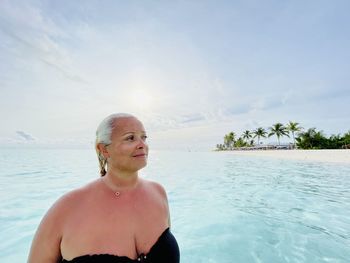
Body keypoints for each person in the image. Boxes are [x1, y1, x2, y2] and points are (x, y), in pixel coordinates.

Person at [27, 113, 180, 263]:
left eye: (144, 137)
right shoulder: (67, 208)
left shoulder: (158, 193)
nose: (142, 145)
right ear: (104, 150)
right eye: (130, 138)